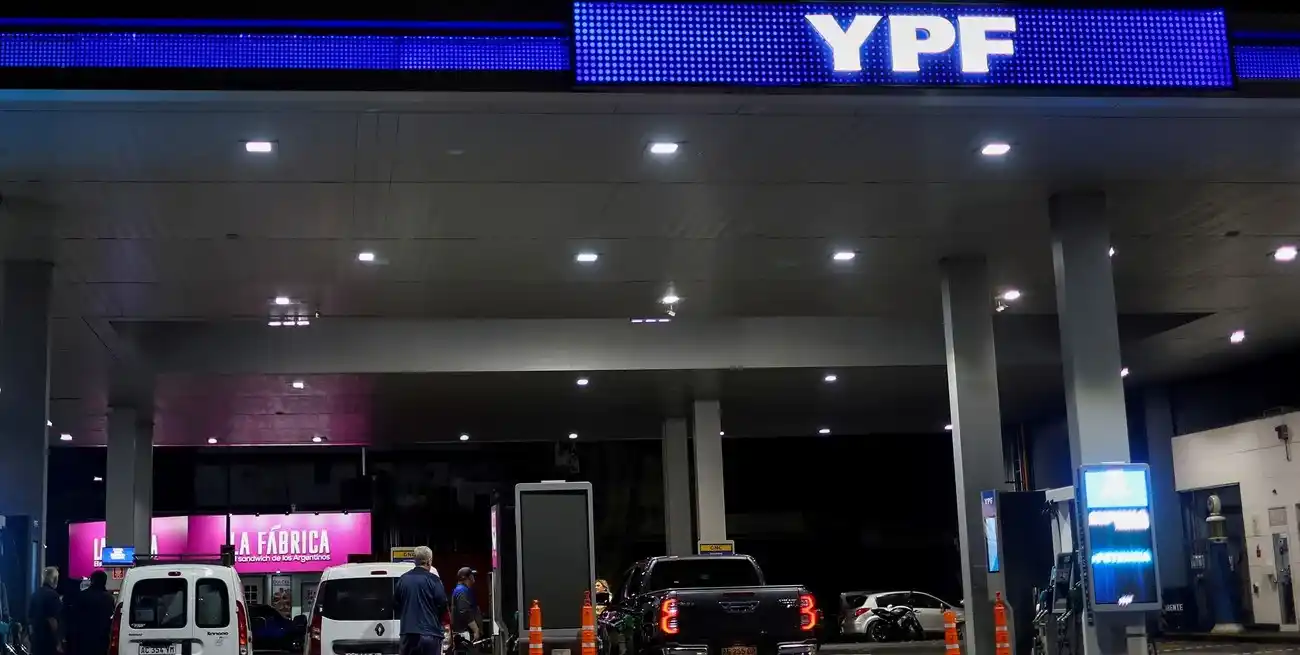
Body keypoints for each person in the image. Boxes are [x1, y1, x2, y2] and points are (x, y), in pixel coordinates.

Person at [394, 547, 447, 655]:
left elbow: (395, 604)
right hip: (431, 634)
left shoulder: (403, 579)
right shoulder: (434, 580)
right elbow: (442, 604)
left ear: (415, 561)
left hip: (408, 634)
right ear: (429, 561)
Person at [68, 572, 114, 655]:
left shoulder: (82, 596)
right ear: (105, 582)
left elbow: (73, 616)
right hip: (102, 640)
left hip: (83, 640)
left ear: (92, 581)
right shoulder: (109, 598)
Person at [27, 568, 61, 655]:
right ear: (55, 579)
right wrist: (58, 641)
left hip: (36, 641)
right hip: (48, 641)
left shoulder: (35, 594)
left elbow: (30, 619)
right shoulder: (53, 595)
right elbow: (52, 620)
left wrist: (32, 637)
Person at [450, 568, 481, 643]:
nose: (473, 577)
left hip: (465, 632)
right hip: (463, 633)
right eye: (472, 575)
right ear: (468, 577)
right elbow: (464, 611)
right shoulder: (461, 591)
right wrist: (475, 629)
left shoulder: (464, 589)